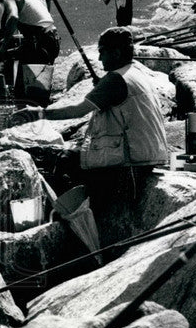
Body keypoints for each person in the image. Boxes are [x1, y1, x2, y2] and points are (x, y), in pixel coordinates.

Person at [12, 27, 168, 249]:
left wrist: (38, 113)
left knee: (63, 161)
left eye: (103, 51)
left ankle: (59, 228)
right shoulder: (134, 72)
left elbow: (77, 110)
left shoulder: (115, 80)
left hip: (128, 165)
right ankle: (65, 215)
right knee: (71, 157)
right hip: (146, 156)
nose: (99, 57)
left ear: (116, 53)